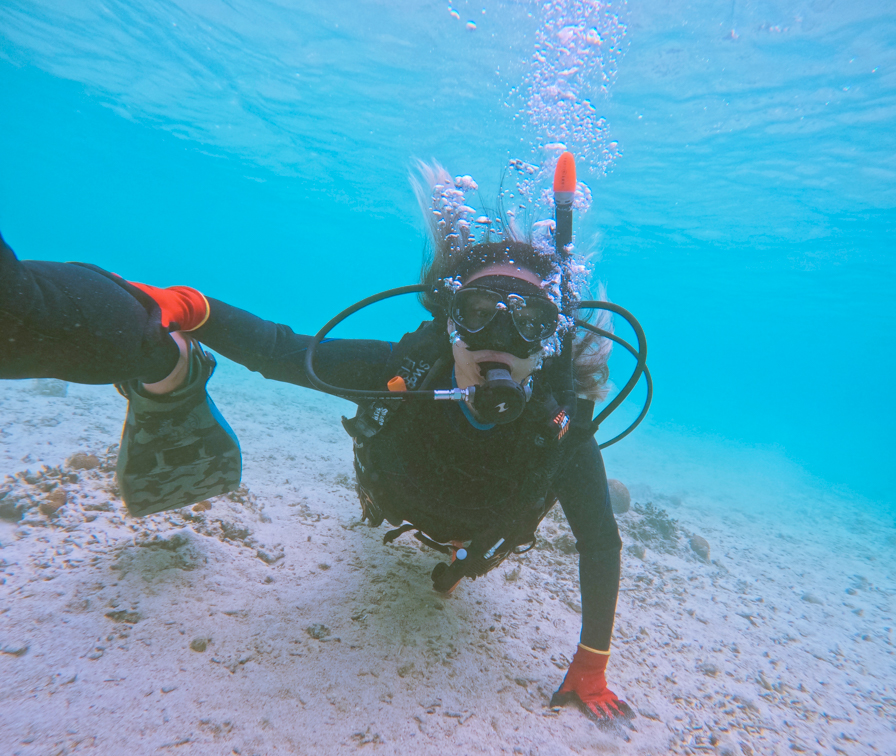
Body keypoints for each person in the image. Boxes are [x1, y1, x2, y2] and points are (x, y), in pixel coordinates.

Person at [0, 159, 635, 725]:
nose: (498, 338)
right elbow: (286, 351)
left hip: (485, 532)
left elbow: (599, 539)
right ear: (449, 323)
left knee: (589, 497)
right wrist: (196, 308)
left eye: (527, 323)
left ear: (549, 341)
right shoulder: (402, 375)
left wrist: (592, 661)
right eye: (477, 313)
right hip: (394, 494)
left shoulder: (562, 437)